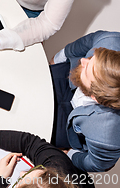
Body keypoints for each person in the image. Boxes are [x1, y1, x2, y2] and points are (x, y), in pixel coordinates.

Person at [50, 30, 120, 172]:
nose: (83, 60)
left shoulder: (107, 136)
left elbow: (97, 164)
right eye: (92, 58)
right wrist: (58, 58)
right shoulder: (110, 42)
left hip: (70, 126)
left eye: (88, 68)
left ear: (95, 97)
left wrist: (69, 154)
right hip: (68, 79)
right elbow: (87, 42)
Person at [0, 124, 94, 188]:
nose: (23, 172)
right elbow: (29, 143)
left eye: (21, 180)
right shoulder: (59, 169)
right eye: (41, 168)